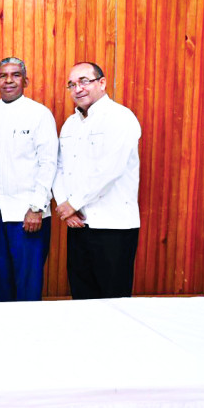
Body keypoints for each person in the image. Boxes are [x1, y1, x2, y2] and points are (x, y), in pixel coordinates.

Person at [0, 57, 58, 302]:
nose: (9, 80)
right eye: (3, 75)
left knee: (27, 281)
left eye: (15, 75)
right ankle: (4, 333)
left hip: (27, 214)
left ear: (25, 80)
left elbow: (48, 163)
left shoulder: (39, 114)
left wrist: (36, 208)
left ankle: (28, 335)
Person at [54, 62, 141, 299]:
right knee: (82, 296)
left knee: (113, 299)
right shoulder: (70, 124)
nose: (77, 88)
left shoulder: (121, 117)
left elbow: (109, 169)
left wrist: (73, 203)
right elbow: (59, 168)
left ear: (101, 83)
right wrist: (66, 208)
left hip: (113, 227)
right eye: (72, 84)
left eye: (84, 81)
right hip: (78, 225)